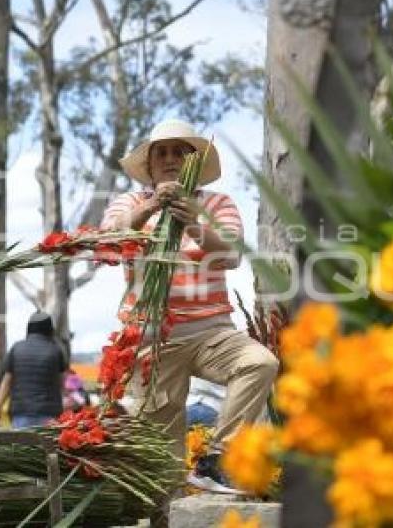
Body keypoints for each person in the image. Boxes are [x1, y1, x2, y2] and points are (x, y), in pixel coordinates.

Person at [101, 118, 279, 494]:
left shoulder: (217, 203)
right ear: (149, 166)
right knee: (163, 470)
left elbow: (232, 255)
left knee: (260, 363)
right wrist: (151, 207)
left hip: (211, 331)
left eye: (180, 152)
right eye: (161, 153)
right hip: (152, 340)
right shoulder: (130, 202)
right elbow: (107, 245)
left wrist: (194, 223)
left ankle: (216, 460)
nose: (170, 159)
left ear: (193, 162)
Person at [0, 313, 67, 428]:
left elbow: (6, 382)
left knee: (21, 445)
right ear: (49, 329)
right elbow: (61, 384)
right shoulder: (55, 351)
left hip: (21, 412)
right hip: (49, 413)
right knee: (46, 445)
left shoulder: (16, 348)